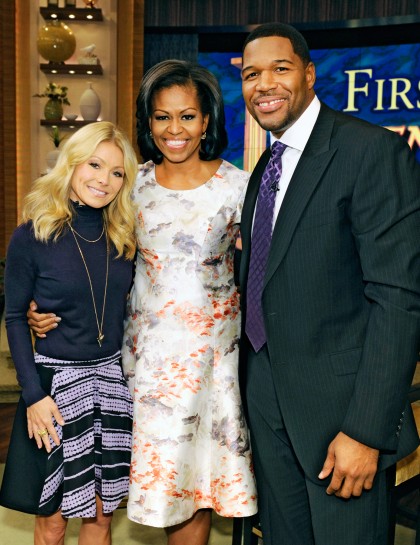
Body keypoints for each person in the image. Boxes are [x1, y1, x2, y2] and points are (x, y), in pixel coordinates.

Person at [27, 60, 258, 545]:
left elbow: (264, 270)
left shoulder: (239, 188)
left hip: (210, 363)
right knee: (113, 486)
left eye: (188, 116)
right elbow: (84, 253)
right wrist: (42, 304)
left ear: (207, 120)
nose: (175, 129)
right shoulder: (131, 185)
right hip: (136, 363)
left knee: (194, 483)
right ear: (148, 123)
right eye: (162, 117)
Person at [238, 22, 420, 545]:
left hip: (342, 414)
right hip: (266, 399)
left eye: (280, 68)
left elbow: (398, 298)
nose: (264, 84)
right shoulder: (264, 168)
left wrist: (366, 430)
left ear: (310, 74)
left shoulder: (370, 151)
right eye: (251, 74)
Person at [0, 121, 138, 545]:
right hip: (53, 391)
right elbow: (15, 317)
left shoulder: (125, 237)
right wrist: (33, 396)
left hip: (111, 386)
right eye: (94, 165)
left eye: (117, 172)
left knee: (100, 518)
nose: (104, 179)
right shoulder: (34, 234)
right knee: (53, 521)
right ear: (72, 164)